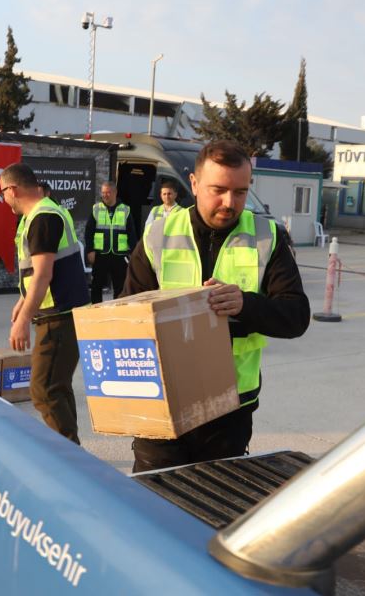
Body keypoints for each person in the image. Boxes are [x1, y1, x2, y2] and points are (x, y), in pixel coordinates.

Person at [120, 140, 311, 472]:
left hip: (230, 410)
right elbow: (125, 315)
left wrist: (245, 305)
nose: (229, 202)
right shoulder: (158, 236)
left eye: (240, 192)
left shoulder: (268, 237)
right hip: (163, 403)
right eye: (218, 190)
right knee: (154, 501)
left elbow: (296, 317)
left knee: (216, 508)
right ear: (193, 184)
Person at [1, 163, 90, 444]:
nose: (4, 199)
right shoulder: (41, 214)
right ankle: (72, 451)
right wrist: (23, 300)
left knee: (43, 389)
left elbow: (43, 273)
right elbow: (37, 269)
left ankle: (69, 459)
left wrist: (23, 319)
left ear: (13, 189)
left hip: (59, 316)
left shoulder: (43, 217)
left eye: (3, 192)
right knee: (57, 386)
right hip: (61, 312)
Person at [83, 181, 137, 303]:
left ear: (115, 192)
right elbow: (88, 232)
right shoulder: (96, 209)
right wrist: (90, 250)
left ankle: (118, 311)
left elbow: (132, 234)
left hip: (119, 255)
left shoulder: (125, 210)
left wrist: (133, 253)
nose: (105, 195)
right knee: (97, 286)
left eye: (108, 192)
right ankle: (96, 312)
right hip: (100, 254)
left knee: (119, 287)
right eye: (103, 192)